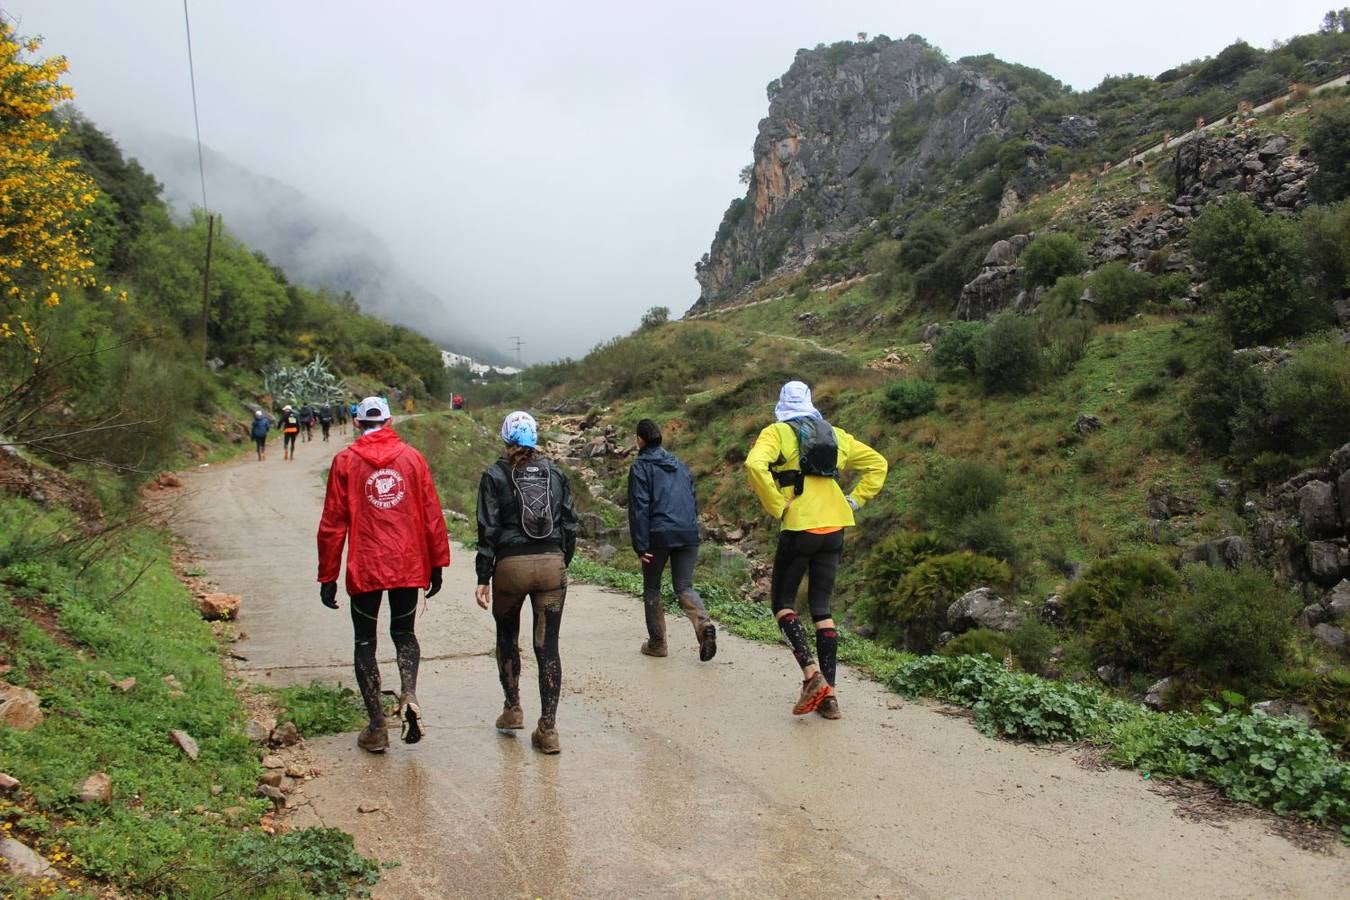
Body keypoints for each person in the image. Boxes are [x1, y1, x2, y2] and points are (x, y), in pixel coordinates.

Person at [744, 381, 887, 720]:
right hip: (835, 526)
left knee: (783, 604)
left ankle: (812, 675)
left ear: (782, 404)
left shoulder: (777, 432)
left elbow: (754, 465)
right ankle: (830, 698)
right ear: (810, 403)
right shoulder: (836, 434)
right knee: (822, 608)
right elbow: (878, 463)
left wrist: (778, 505)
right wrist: (855, 499)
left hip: (800, 525)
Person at [316, 396, 450, 753]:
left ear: (357, 423)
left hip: (366, 565)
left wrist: (328, 576)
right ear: (389, 421)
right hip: (408, 563)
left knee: (365, 642)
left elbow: (332, 524)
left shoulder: (345, 461)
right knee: (404, 634)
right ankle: (409, 692)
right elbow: (431, 514)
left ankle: (377, 727)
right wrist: (437, 564)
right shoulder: (412, 458)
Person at [475, 411, 578, 754]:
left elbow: (487, 529)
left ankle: (513, 708)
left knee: (507, 637)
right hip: (551, 566)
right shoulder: (556, 473)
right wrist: (562, 560)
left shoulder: (494, 475)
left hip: (510, 568)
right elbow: (570, 524)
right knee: (548, 647)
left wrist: (483, 576)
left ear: (505, 439)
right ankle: (548, 730)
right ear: (536, 438)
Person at [627, 418, 716, 661]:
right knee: (684, 586)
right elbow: (693, 499)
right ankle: (704, 624)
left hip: (658, 534)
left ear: (639, 440)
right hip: (687, 532)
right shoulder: (679, 464)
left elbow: (639, 507)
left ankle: (657, 644)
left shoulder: (640, 467)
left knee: (652, 588)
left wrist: (640, 545)